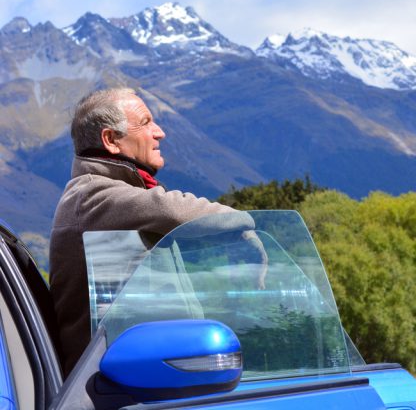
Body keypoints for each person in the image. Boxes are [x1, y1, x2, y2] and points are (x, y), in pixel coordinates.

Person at [49, 88, 265, 376]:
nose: (159, 132)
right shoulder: (91, 195)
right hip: (105, 388)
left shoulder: (118, 196)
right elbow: (173, 211)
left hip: (142, 378)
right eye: (146, 122)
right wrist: (246, 224)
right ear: (111, 140)